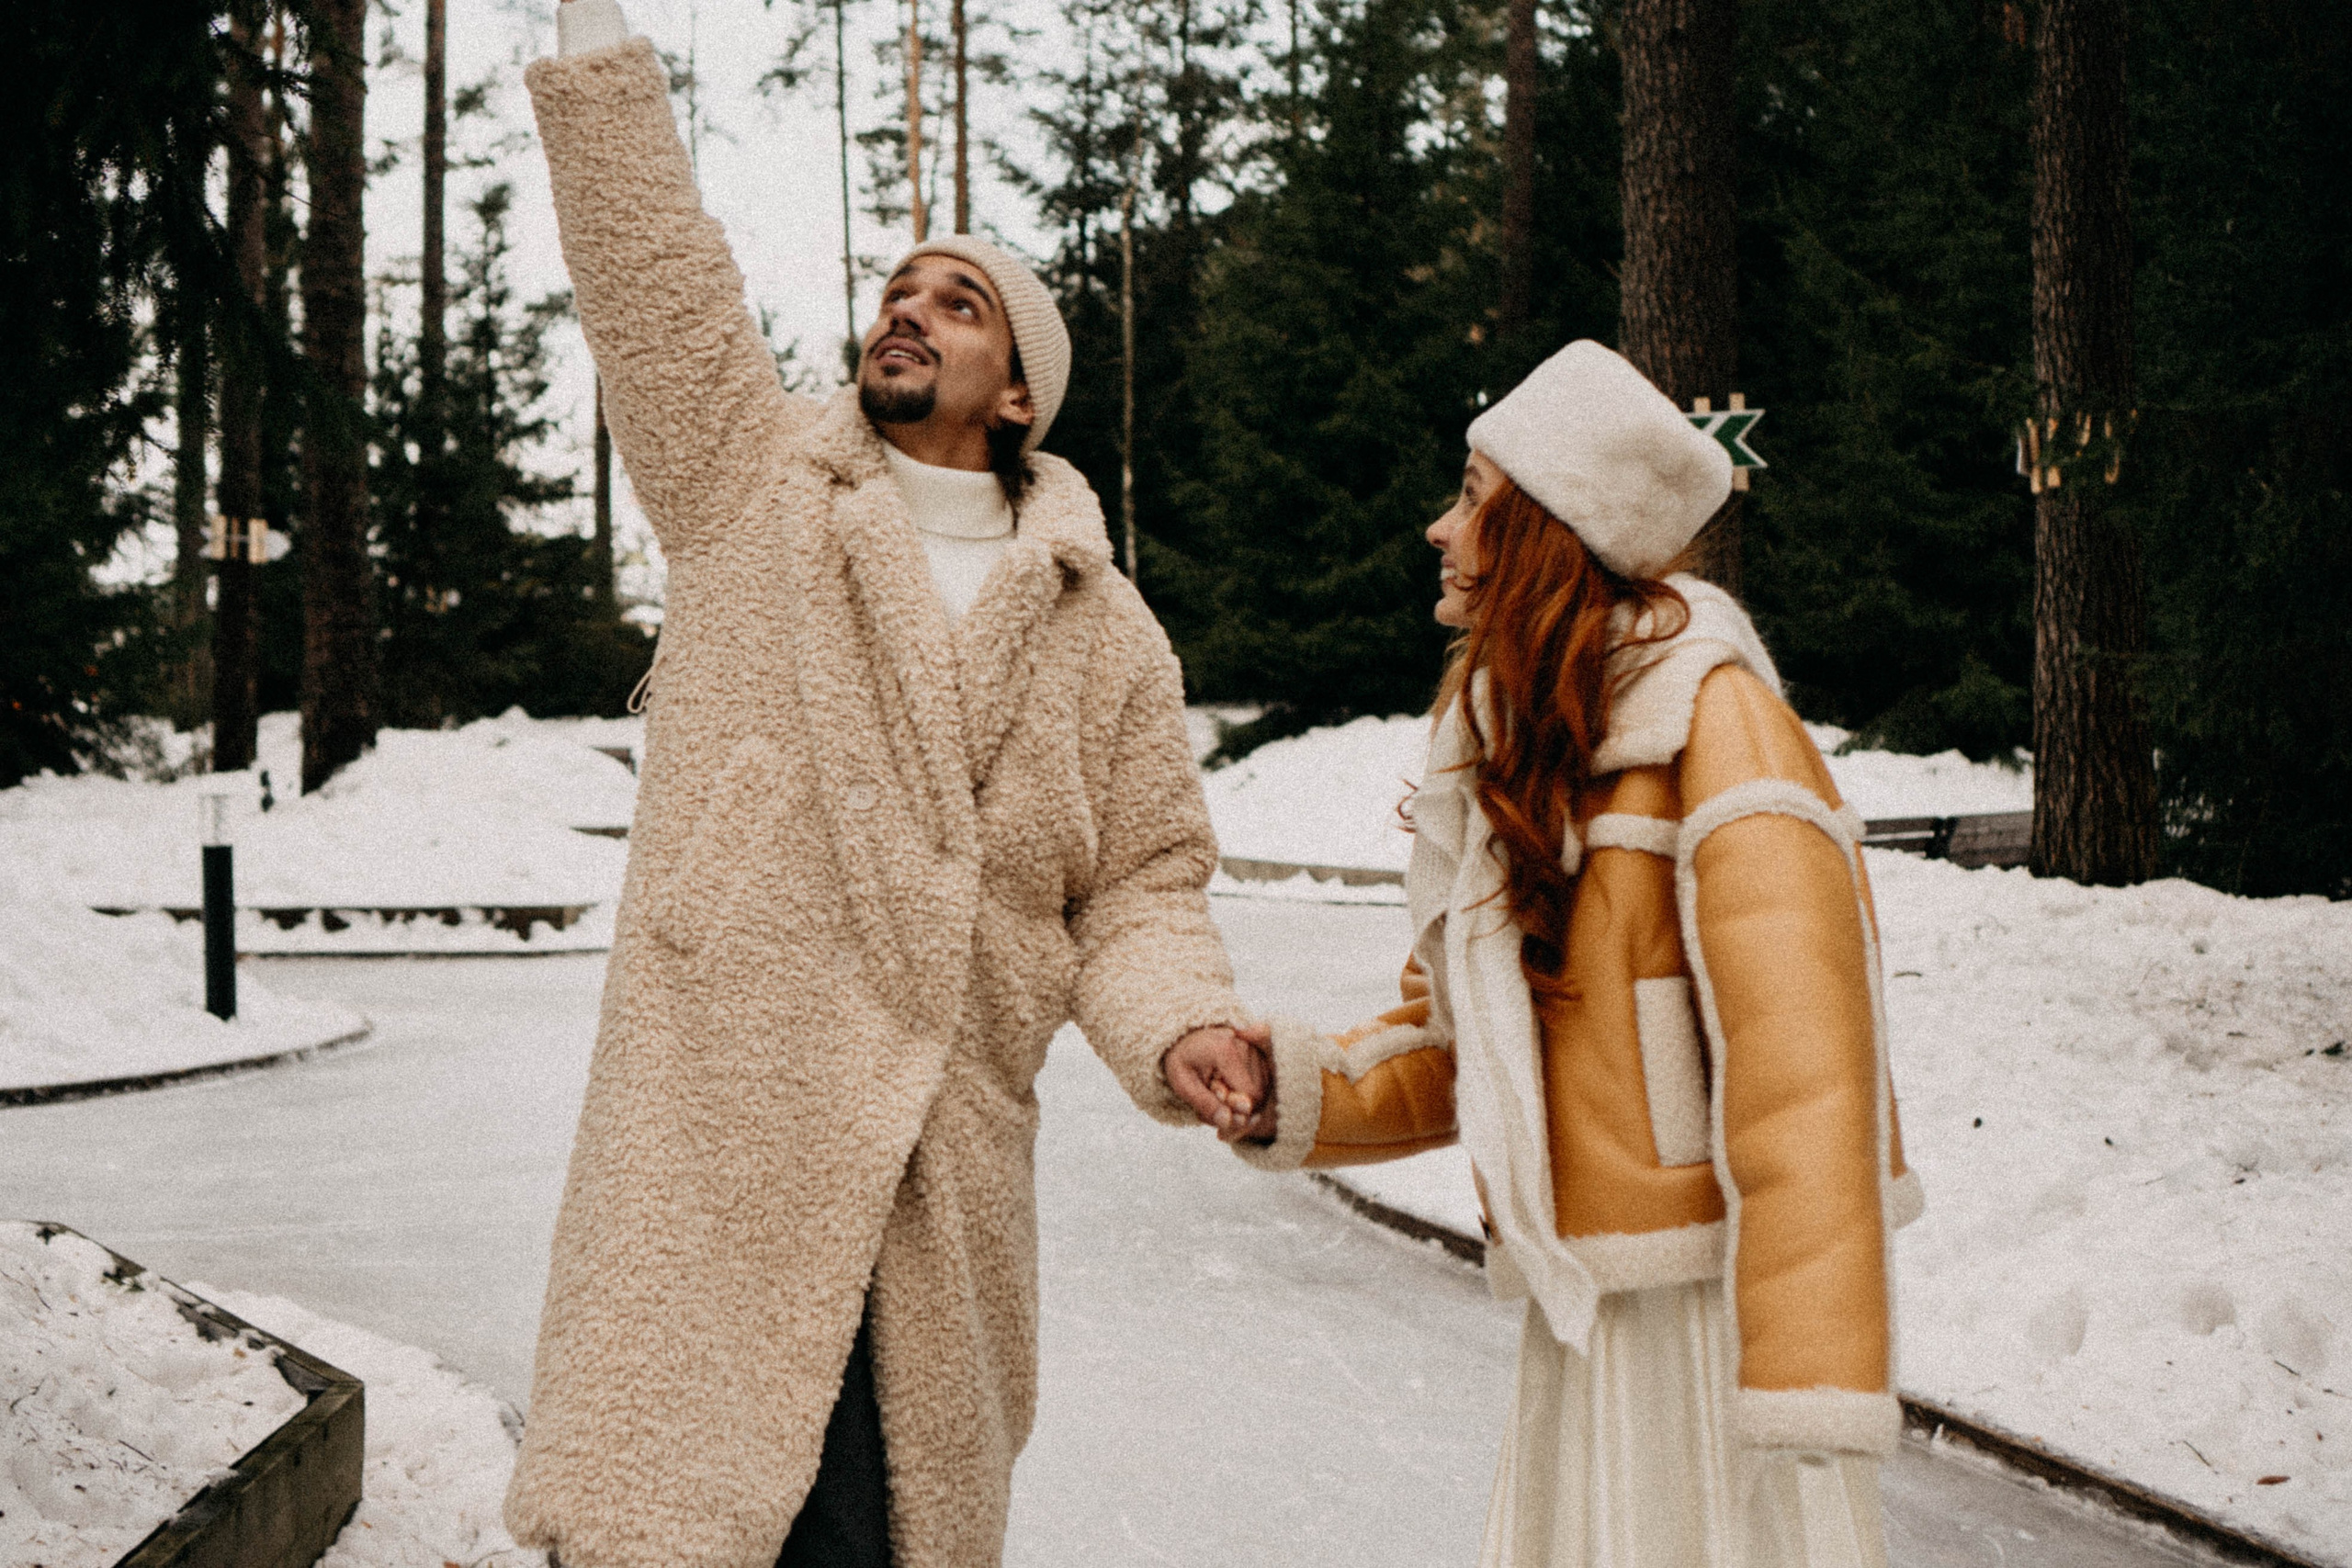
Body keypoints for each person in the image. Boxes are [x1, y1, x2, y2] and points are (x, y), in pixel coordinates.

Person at [510, 6, 1272, 1566]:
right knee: (666, 1520)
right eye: (898, 291)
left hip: (936, 1165)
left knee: (879, 1535)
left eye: (960, 302)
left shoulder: (1099, 622)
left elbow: (1138, 878)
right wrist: (596, 46)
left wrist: (1177, 1019)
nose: (909, 312)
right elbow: (655, 275)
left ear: (1019, 395)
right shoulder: (751, 484)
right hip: (724, 1123)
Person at [1238, 341, 1927, 1567]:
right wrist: (1289, 1088)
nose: (1439, 529)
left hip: (1714, 1326)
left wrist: (1803, 1380)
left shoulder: (1721, 730)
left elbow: (1809, 1081)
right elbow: (1465, 1043)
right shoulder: (1513, 740)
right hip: (1589, 1313)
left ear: (1550, 524)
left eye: (1472, 497)